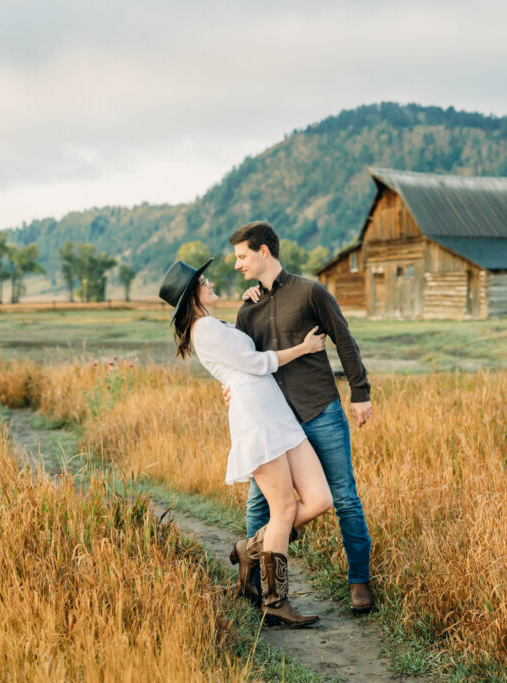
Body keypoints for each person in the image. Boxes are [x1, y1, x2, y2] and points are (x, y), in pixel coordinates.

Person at [159, 257, 332, 628]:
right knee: (284, 509)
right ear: (193, 297)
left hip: (276, 414)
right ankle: (275, 601)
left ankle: (248, 550)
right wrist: (304, 348)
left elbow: (240, 359)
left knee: (320, 499)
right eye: (204, 282)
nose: (210, 284)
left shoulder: (213, 324)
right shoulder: (203, 329)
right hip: (256, 418)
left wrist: (251, 300)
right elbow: (255, 363)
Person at [227, 220, 376, 614]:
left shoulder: (311, 291)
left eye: (242, 256)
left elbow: (344, 339)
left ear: (263, 252)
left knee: (344, 497)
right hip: (274, 420)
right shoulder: (247, 310)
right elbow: (246, 364)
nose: (237, 264)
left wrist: (359, 393)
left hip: (319, 409)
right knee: (259, 504)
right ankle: (254, 580)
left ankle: (359, 582)